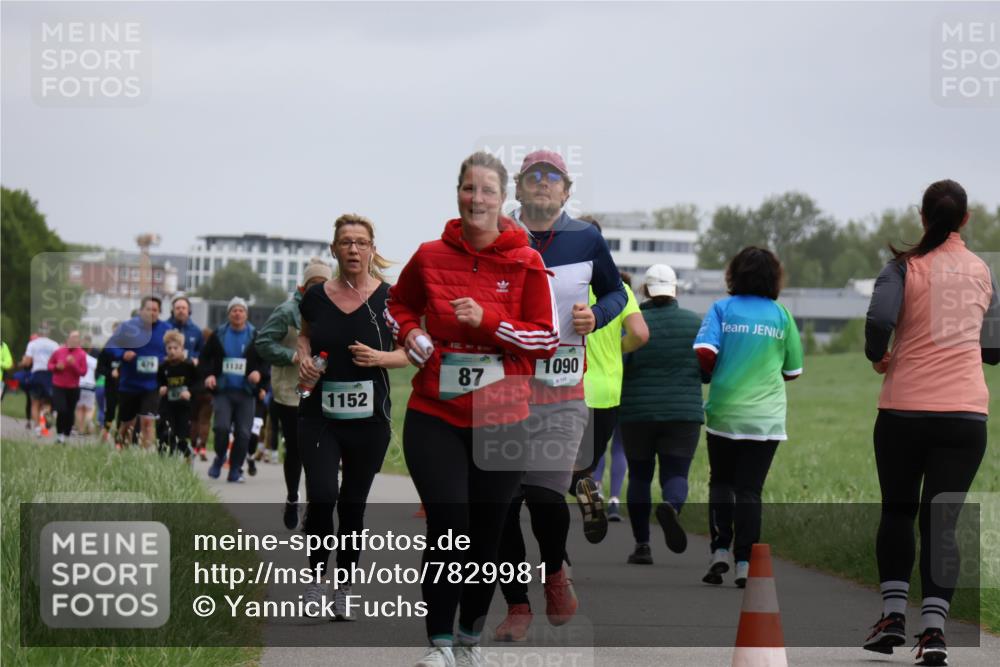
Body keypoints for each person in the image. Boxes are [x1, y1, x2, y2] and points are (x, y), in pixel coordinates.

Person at [386, 151, 558, 667]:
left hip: (503, 415)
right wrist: (412, 334)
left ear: (503, 199)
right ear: (457, 193)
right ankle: (439, 642)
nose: (476, 198)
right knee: (448, 525)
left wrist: (488, 322)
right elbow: (397, 304)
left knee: (486, 535)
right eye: (468, 188)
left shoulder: (526, 262)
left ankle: (468, 637)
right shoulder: (429, 255)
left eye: (487, 190)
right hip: (436, 412)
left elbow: (546, 339)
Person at [861, 180, 999, 665]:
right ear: (965, 219)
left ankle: (892, 618)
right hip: (964, 416)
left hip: (904, 411)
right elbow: (995, 348)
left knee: (898, 513)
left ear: (922, 216)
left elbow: (879, 320)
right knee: (942, 523)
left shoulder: (902, 267)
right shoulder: (983, 270)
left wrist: (878, 355)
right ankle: (935, 632)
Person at [494, 150, 626, 643]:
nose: (543, 183)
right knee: (503, 505)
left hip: (563, 390)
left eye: (553, 177)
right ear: (518, 187)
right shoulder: (496, 235)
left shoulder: (586, 238)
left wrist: (598, 315)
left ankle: (554, 575)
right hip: (502, 389)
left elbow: (616, 293)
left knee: (545, 494)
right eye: (534, 176)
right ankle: (517, 606)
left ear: (567, 191)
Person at [295, 214, 406, 620]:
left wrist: (379, 358)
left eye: (361, 242)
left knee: (352, 506)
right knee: (323, 496)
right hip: (319, 414)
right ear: (334, 249)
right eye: (346, 242)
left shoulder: (391, 299)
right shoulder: (315, 297)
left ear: (372, 249)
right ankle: (315, 580)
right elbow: (304, 336)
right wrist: (303, 358)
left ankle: (343, 588)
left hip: (369, 419)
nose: (354, 249)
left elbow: (412, 352)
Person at [693, 247, 802, 588]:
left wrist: (716, 370)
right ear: (774, 278)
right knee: (750, 491)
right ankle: (744, 563)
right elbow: (793, 370)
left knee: (721, 483)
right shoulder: (782, 315)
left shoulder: (721, 309)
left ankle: (719, 551)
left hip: (725, 411)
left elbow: (704, 351)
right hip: (766, 418)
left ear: (734, 274)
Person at [619, 265, 705, 565]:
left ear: (645, 290)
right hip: (683, 414)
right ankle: (671, 505)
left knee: (639, 476)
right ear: (675, 289)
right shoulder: (695, 323)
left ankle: (642, 545)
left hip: (636, 413)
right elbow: (706, 368)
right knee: (676, 474)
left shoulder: (634, 325)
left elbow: (621, 365)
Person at [255, 257, 333, 529]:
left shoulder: (335, 309)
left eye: (324, 283)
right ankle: (292, 498)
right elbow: (263, 342)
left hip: (321, 390)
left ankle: (313, 508)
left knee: (317, 452)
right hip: (289, 391)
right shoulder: (288, 311)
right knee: (297, 449)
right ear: (304, 285)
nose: (318, 288)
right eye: (314, 283)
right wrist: (291, 356)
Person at [577, 261, 648, 523]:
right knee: (590, 461)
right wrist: (619, 347)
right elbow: (639, 334)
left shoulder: (565, 286)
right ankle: (590, 493)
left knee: (556, 462)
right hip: (606, 392)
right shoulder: (619, 290)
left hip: (567, 387)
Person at [201, 297, 268, 483]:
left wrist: (260, 377)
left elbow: (265, 362)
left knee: (244, 433)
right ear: (229, 314)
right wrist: (209, 375)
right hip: (224, 390)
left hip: (246, 392)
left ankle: (236, 469)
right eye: (234, 310)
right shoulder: (218, 334)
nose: (237, 313)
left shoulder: (256, 336)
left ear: (246, 314)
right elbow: (205, 358)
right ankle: (220, 457)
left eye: (241, 310)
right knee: (221, 428)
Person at [105, 297, 171, 449]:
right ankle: (120, 450)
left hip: (152, 384)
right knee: (127, 423)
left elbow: (175, 348)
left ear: (159, 312)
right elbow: (111, 346)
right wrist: (123, 354)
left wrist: (167, 359)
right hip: (130, 383)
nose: (152, 313)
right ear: (141, 311)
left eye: (155, 310)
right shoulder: (127, 327)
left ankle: (144, 456)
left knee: (148, 421)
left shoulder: (166, 329)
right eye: (148, 309)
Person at [157, 330, 198, 458]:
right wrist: (161, 388)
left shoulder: (188, 365)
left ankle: (188, 456)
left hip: (183, 407)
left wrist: (189, 392)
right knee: (167, 434)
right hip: (167, 406)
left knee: (181, 438)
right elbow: (158, 382)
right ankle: (165, 461)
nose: (172, 351)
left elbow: (198, 384)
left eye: (175, 348)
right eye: (169, 348)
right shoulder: (163, 367)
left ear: (182, 348)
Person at [47, 330, 88, 444]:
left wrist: (74, 364)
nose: (74, 340)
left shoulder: (81, 354)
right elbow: (49, 365)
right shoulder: (59, 351)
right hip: (58, 385)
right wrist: (56, 367)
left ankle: (67, 433)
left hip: (73, 387)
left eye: (77, 338)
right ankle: (60, 435)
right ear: (68, 339)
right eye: (73, 337)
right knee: (61, 409)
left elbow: (83, 372)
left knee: (70, 411)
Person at [20, 327, 59, 435]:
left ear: (39, 333)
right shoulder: (54, 345)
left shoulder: (33, 344)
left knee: (35, 402)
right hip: (49, 375)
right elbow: (58, 361)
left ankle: (37, 427)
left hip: (37, 374)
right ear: (49, 332)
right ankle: (45, 416)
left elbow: (27, 362)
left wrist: (22, 363)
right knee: (47, 402)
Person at [189, 326, 215, 460]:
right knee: (205, 421)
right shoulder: (214, 355)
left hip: (195, 392)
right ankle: (203, 447)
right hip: (209, 392)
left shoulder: (195, 355)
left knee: (194, 420)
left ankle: (193, 446)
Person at [75, 338, 98, 436]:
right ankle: (88, 421)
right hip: (90, 386)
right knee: (89, 409)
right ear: (90, 349)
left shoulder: (77, 359)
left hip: (79, 385)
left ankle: (80, 430)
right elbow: (97, 373)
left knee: (79, 408)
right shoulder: (94, 361)